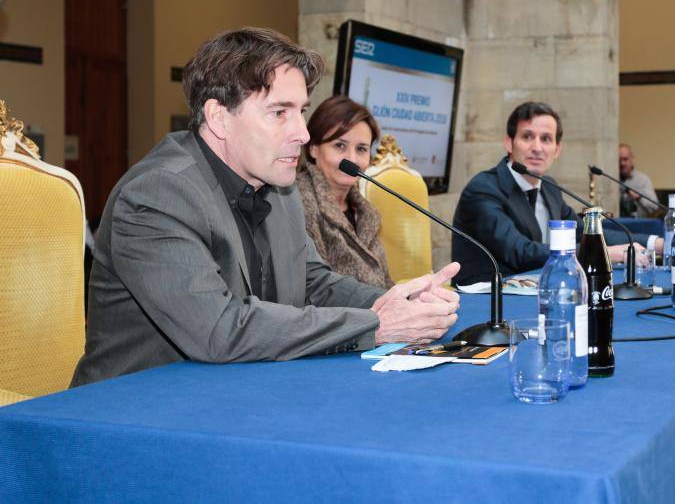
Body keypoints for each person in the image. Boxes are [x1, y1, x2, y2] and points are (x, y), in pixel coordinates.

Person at [71, 28, 460, 387]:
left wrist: (397, 302)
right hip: (133, 411)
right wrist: (375, 325)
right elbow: (219, 331)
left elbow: (315, 284)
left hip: (236, 390)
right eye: (280, 113)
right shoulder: (157, 194)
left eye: (302, 111)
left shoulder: (277, 186)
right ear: (218, 117)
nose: (302, 133)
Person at [452, 101, 662, 286]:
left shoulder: (549, 187)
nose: (537, 147)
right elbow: (520, 252)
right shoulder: (483, 188)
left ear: (557, 149)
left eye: (546, 139)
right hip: (486, 300)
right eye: (527, 137)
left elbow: (584, 233)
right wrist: (604, 253)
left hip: (534, 290)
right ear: (509, 143)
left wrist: (655, 243)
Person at [296, 95, 392, 289]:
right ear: (314, 148)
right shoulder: (298, 201)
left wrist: (411, 299)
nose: (352, 159)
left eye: (361, 149)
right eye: (340, 146)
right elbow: (316, 290)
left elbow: (384, 280)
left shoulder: (365, 212)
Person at [619, 143, 659, 217]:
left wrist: (639, 197)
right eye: (619, 160)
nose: (622, 163)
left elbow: (654, 207)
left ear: (632, 159)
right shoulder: (611, 179)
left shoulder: (643, 180)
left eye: (625, 159)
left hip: (638, 225)